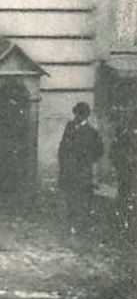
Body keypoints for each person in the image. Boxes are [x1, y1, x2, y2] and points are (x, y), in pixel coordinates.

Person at [57, 101, 103, 236]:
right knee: (70, 198)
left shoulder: (91, 132)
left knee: (84, 199)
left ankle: (83, 224)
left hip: (83, 171)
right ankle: (72, 224)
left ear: (84, 116)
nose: (75, 117)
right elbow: (62, 147)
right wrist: (63, 164)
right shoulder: (69, 127)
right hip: (69, 170)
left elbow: (99, 151)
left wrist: (88, 161)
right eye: (75, 114)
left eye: (78, 115)